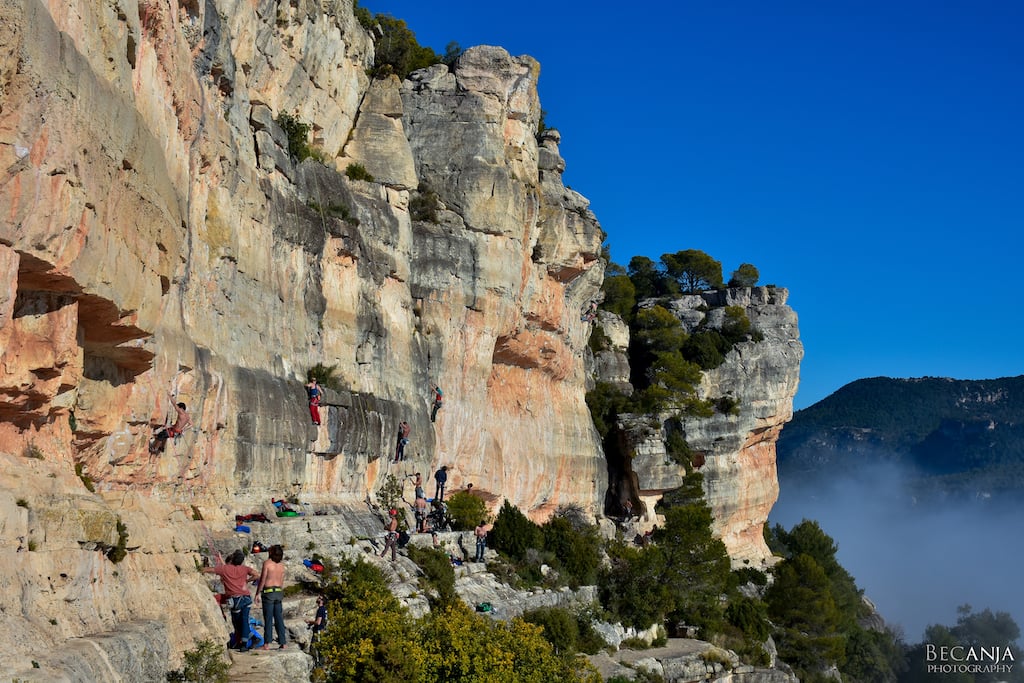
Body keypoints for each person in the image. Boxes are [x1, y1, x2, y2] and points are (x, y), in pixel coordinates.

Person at [203, 550, 258, 651]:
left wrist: (200, 569)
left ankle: (245, 642)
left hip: (235, 599)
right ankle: (246, 642)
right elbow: (256, 575)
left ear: (232, 559)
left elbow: (211, 570)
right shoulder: (245, 569)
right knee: (244, 620)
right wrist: (247, 581)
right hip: (246, 598)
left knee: (237, 623)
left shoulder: (225, 569)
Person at [255, 544, 287, 650]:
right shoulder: (282, 566)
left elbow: (263, 579)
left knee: (268, 618)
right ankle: (283, 642)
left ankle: (267, 643)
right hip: (278, 592)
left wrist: (257, 593)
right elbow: (282, 581)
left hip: (268, 592)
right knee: (279, 618)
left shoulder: (267, 564)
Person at [305, 596, 328, 667]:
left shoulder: (320, 609)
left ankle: (319, 666)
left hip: (319, 630)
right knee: (321, 648)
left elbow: (318, 622)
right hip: (323, 630)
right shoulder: (324, 609)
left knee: (316, 648)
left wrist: (310, 621)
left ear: (321, 601)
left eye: (319, 598)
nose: (317, 598)